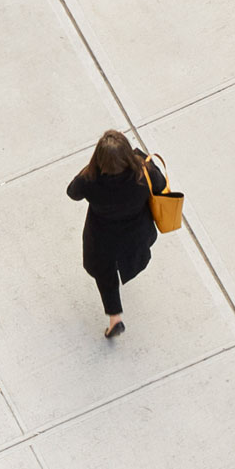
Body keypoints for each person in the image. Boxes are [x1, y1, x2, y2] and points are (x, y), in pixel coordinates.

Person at [70, 131, 158, 337]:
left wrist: (87, 170)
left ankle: (115, 317)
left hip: (103, 236)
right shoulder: (144, 173)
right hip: (135, 233)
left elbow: (72, 193)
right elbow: (161, 187)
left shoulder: (89, 181)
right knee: (128, 259)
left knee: (104, 272)